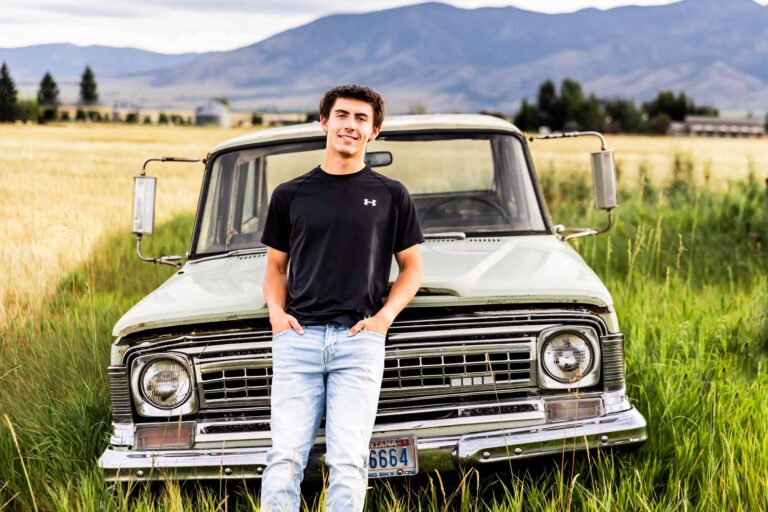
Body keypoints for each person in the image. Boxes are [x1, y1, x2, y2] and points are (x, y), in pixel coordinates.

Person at [258, 84, 424, 512]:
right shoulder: (290, 195)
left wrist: (384, 319)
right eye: (342, 115)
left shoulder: (392, 195)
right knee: (283, 460)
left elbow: (412, 269)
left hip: (359, 341)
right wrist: (277, 314)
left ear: (375, 131)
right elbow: (276, 268)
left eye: (361, 119)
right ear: (324, 122)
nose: (350, 125)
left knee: (349, 462)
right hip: (298, 338)